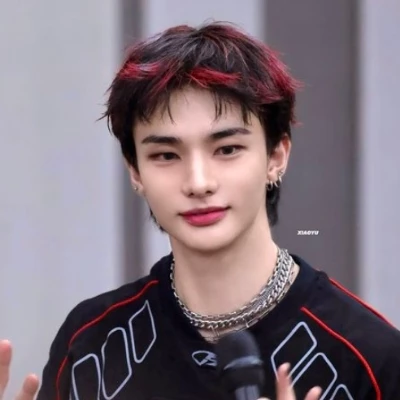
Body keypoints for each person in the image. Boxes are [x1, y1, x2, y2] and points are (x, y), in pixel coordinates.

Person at [1, 21, 400, 400]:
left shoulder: (370, 356)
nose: (198, 182)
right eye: (166, 155)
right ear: (135, 172)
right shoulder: (92, 343)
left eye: (227, 149)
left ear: (276, 156)